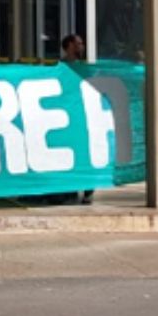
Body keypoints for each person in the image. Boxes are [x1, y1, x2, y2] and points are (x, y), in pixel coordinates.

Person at [58, 33, 93, 205]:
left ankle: (88, 189)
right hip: (68, 116)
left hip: (82, 115)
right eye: (79, 43)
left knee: (85, 152)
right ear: (70, 46)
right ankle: (70, 189)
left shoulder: (84, 67)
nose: (82, 46)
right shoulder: (60, 67)